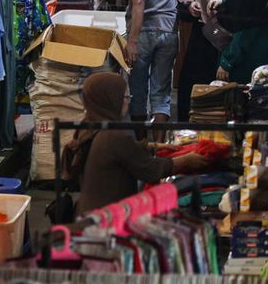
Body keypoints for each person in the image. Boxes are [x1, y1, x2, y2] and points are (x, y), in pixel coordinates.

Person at [64, 73, 209, 217]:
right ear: (110, 100)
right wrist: (187, 160)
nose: (128, 102)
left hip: (88, 213)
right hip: (108, 221)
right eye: (125, 97)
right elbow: (150, 169)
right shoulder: (112, 136)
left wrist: (152, 146)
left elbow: (121, 152)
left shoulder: (89, 126)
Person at [176, 0, 244, 117]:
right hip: (204, 38)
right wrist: (190, 8)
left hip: (232, 40)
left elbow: (245, 5)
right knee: (194, 84)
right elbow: (182, 5)